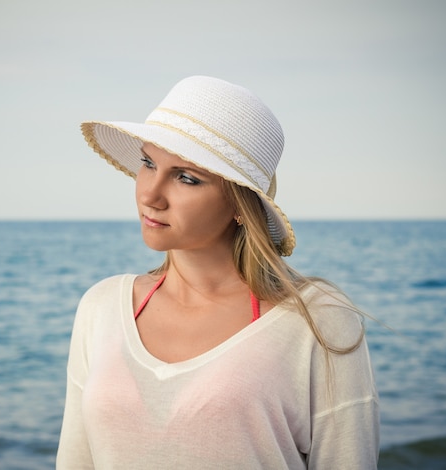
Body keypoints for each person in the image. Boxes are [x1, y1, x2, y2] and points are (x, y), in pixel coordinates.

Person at [57, 76, 379, 469]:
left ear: (240, 204)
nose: (149, 194)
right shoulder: (102, 307)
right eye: (148, 163)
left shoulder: (318, 321)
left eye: (186, 177)